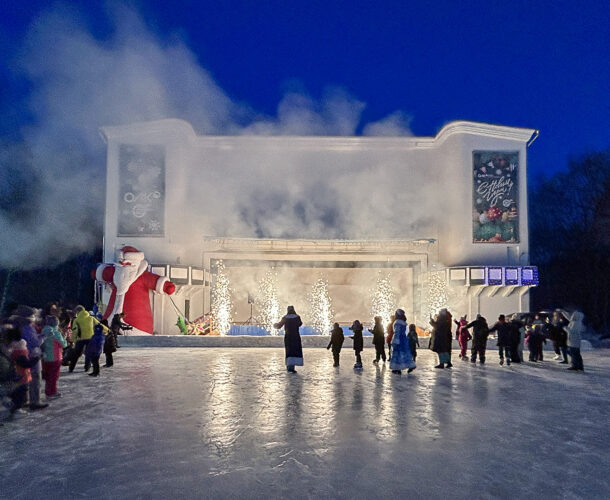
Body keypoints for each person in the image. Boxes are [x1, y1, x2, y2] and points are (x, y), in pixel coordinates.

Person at [10, 306, 48, 410]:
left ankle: (26, 400)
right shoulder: (28, 327)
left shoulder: (17, 325)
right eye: (33, 315)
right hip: (32, 355)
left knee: (26, 379)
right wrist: (43, 337)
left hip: (22, 355)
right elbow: (34, 342)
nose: (35, 317)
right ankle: (35, 402)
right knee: (35, 380)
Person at [4, 327, 39, 417]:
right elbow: (27, 364)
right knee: (20, 394)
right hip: (21, 377)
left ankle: (15, 406)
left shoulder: (11, 351)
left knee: (18, 393)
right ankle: (16, 409)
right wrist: (36, 358)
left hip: (17, 376)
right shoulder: (19, 353)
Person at [41, 316, 67, 398]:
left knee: (48, 375)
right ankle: (52, 392)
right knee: (54, 376)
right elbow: (63, 344)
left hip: (45, 356)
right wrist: (65, 337)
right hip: (55, 357)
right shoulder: (55, 332)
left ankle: (48, 391)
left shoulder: (43, 330)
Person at [274, 306, 303, 373]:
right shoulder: (297, 317)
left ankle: (289, 366)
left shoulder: (285, 318)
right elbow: (300, 324)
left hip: (288, 337)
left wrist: (275, 325)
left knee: (289, 351)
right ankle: (292, 366)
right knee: (295, 350)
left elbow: (279, 326)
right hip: (296, 336)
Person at [390, 309, 416, 374]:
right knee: (405, 353)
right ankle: (410, 365)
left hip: (398, 339)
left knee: (397, 354)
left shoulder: (397, 323)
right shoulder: (403, 323)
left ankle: (397, 368)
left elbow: (397, 332)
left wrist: (395, 340)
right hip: (403, 339)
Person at [69, 306, 95, 372]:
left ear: (78, 311)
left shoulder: (76, 320)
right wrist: (108, 331)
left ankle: (71, 368)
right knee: (88, 353)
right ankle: (87, 367)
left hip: (80, 339)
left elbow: (75, 331)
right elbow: (100, 325)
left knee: (76, 354)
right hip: (90, 338)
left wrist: (72, 340)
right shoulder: (91, 318)